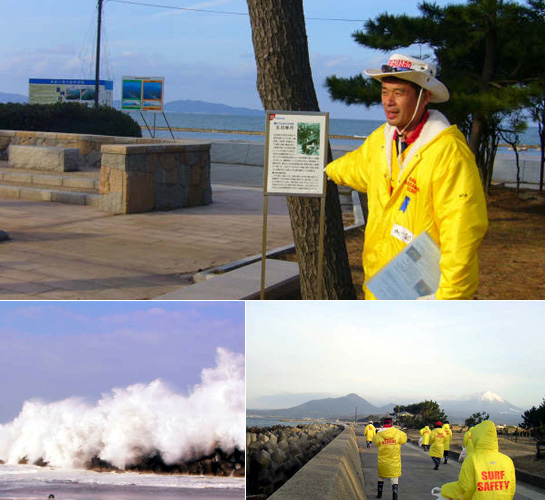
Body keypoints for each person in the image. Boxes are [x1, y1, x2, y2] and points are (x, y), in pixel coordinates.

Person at [325, 53, 488, 300]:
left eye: (399, 93)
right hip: (380, 288)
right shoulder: (382, 139)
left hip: (425, 296)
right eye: (384, 92)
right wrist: (325, 171)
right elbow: (356, 167)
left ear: (425, 97)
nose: (389, 102)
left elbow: (461, 234)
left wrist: (450, 301)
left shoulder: (448, 153)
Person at [441, 420, 516, 499]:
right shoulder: (507, 460)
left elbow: (466, 488)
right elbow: (511, 489)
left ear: (476, 436)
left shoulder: (472, 460)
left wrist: (444, 490)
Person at [372, 417, 408, 499]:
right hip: (394, 460)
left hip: (383, 460)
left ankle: (379, 494)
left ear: (383, 424)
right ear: (391, 423)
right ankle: (395, 494)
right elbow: (404, 439)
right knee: (394, 478)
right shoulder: (397, 432)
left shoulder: (379, 434)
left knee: (381, 476)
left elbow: (376, 442)